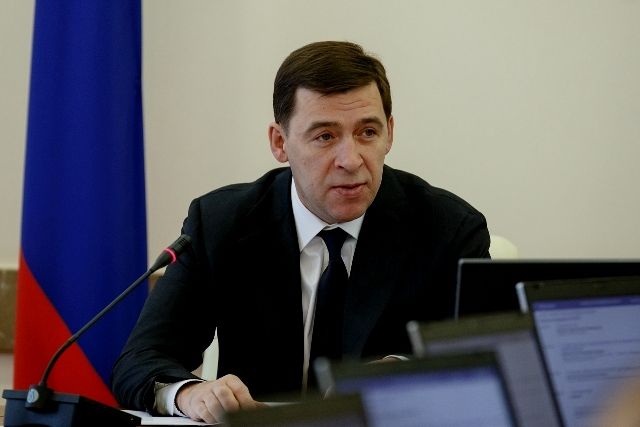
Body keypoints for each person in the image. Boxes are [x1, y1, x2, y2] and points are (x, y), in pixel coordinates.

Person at [111, 41, 490, 423]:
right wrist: (190, 393)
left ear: (389, 134)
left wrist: (405, 373)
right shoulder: (221, 223)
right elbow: (140, 362)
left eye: (367, 132)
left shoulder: (448, 229)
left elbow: (491, 364)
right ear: (280, 143)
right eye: (325, 136)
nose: (351, 160)